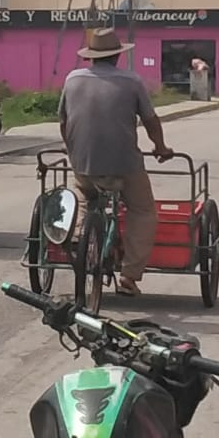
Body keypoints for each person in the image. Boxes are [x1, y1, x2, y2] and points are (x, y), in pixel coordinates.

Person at [58, 28, 173, 297]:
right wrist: (160, 147)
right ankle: (130, 277)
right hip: (125, 164)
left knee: (83, 196)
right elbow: (150, 120)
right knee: (143, 211)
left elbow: (64, 122)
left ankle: (77, 235)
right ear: (117, 56)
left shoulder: (72, 79)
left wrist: (73, 151)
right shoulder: (131, 81)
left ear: (90, 57)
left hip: (83, 162)